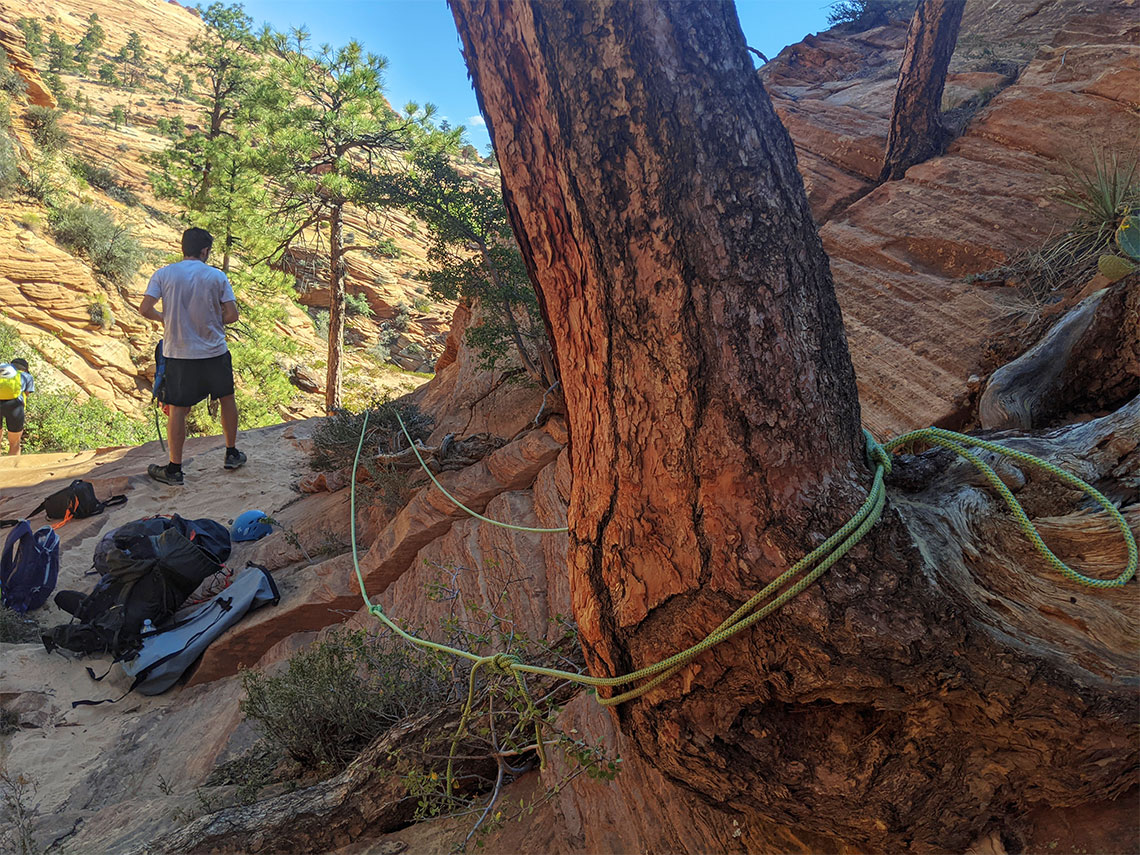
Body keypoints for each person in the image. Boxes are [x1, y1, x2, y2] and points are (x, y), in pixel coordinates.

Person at [139, 227, 245, 486]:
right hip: (213, 351)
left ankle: (175, 469)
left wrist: (166, 318)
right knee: (226, 398)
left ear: (183, 247)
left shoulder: (164, 274)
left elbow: (145, 308)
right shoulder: (216, 276)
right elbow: (232, 315)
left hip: (179, 352)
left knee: (176, 408)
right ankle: (231, 453)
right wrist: (213, 319)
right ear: (205, 251)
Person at [0, 357, 34, 455]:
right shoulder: (27, 376)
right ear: (26, 369)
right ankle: (12, 469)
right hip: (15, 407)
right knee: (15, 443)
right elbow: (27, 393)